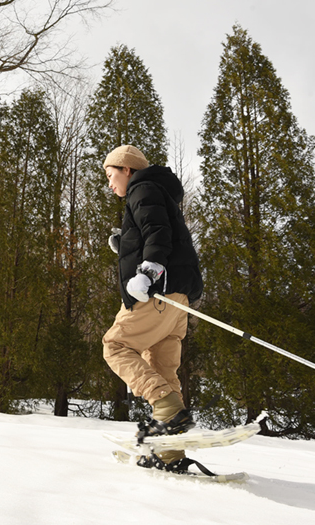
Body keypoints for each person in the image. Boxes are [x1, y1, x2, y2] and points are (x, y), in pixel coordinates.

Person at [102, 144, 203, 473]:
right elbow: (157, 230)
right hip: (179, 301)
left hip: (157, 294)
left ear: (127, 169)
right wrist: (126, 245)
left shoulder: (142, 188)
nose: (110, 183)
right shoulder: (160, 193)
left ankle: (167, 408)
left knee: (115, 345)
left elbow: (156, 232)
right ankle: (170, 452)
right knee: (162, 369)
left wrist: (147, 269)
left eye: (111, 174)